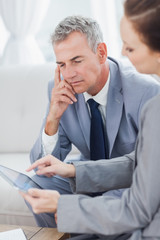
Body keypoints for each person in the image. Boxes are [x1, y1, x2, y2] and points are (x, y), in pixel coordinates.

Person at [26, 14, 160, 231]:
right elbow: (42, 166)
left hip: (127, 185)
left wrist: (74, 171)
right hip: (86, 181)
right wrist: (53, 117)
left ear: (101, 53)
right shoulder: (60, 89)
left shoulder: (146, 92)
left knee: (114, 196)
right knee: (38, 186)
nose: (68, 74)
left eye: (77, 61)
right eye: (61, 64)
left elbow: (141, 170)